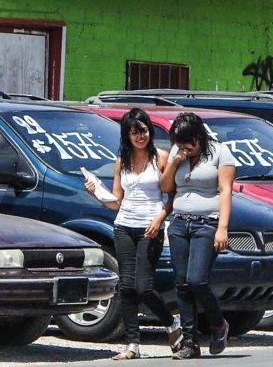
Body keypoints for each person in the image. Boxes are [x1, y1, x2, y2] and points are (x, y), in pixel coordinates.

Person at [84, 108, 181, 360]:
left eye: (145, 131)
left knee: (143, 287)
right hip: (124, 225)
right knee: (126, 287)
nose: (141, 136)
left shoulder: (160, 158)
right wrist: (96, 191)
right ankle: (132, 345)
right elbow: (117, 201)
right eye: (135, 132)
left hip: (151, 227)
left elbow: (172, 196)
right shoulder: (121, 162)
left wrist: (160, 219)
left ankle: (172, 323)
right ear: (127, 135)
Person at [159, 112, 234, 359]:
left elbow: (225, 191)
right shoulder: (177, 153)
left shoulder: (220, 152)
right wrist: (174, 162)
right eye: (179, 144)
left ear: (199, 137)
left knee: (197, 281)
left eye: (188, 144)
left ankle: (218, 324)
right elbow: (166, 187)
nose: (184, 149)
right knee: (181, 284)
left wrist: (222, 228)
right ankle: (190, 342)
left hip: (207, 224)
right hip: (180, 223)